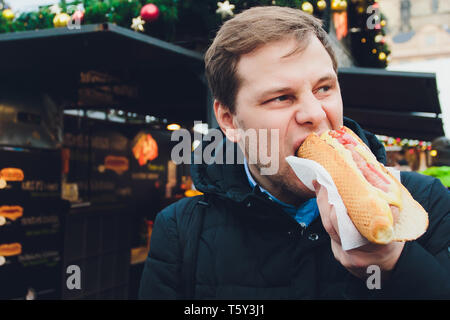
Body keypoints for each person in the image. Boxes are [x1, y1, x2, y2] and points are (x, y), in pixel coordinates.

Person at [139, 6, 450, 299]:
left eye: (324, 88)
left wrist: (397, 263)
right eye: (281, 97)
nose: (315, 114)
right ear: (229, 120)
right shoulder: (180, 232)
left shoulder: (423, 202)